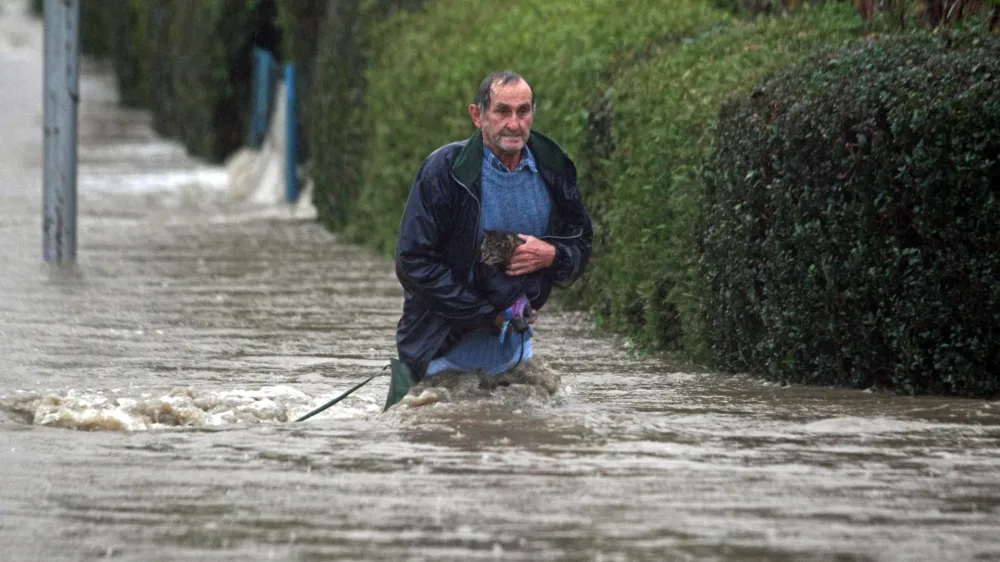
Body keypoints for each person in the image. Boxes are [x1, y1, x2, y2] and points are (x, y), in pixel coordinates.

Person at [387, 70, 592, 406]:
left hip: (517, 363)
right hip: (436, 359)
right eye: (502, 111)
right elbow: (412, 263)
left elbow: (581, 242)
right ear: (477, 116)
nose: (514, 124)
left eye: (523, 111)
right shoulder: (443, 170)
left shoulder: (554, 167)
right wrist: (489, 315)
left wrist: (553, 255)